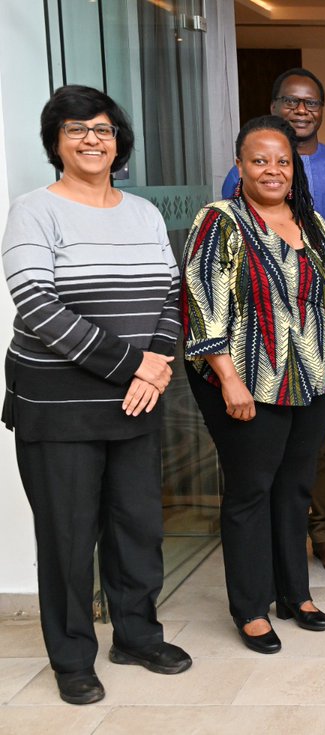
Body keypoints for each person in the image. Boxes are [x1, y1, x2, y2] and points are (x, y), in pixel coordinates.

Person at [1, 84, 191, 705]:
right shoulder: (35, 209)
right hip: (59, 408)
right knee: (67, 537)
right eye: (77, 129)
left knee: (138, 528)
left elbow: (171, 295)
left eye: (103, 129)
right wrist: (138, 366)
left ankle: (136, 634)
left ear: (119, 143)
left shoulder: (140, 213)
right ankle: (72, 658)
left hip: (136, 401)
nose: (91, 139)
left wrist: (157, 367)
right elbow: (37, 306)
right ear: (56, 142)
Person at [183, 115, 325, 653]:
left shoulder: (314, 223)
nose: (273, 169)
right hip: (247, 381)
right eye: (260, 160)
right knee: (251, 492)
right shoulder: (221, 221)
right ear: (240, 166)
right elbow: (201, 305)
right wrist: (228, 380)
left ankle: (293, 594)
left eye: (283, 161)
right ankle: (251, 607)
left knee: (295, 488)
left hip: (310, 382)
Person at [221, 68, 325, 576]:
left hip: (319, 335)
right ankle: (263, 577)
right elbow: (217, 284)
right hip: (256, 352)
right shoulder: (229, 207)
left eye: (311, 103)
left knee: (309, 459)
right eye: (291, 101)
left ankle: (322, 538)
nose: (301, 110)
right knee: (262, 474)